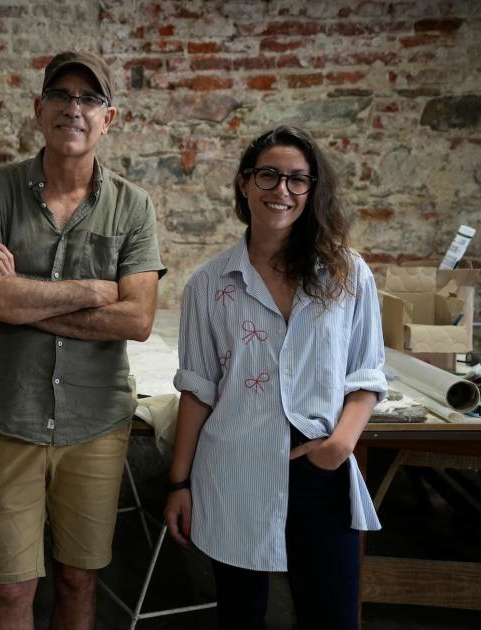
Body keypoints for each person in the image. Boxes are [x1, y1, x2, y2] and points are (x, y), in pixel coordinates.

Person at [0, 51, 165, 630]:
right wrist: (93, 290)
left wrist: (23, 301)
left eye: (89, 99)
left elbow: (137, 321)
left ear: (110, 117)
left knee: (79, 578)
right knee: (10, 592)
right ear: (38, 108)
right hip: (8, 418)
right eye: (61, 95)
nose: (73, 109)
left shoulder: (133, 205)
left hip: (95, 421)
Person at [164, 125, 387, 630]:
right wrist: (179, 483)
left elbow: (366, 372)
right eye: (268, 175)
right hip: (233, 470)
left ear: (312, 191)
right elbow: (197, 390)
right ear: (245, 184)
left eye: (297, 179)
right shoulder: (207, 284)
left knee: (331, 617)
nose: (281, 191)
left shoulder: (348, 274)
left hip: (321, 468)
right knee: (241, 617)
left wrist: (341, 445)